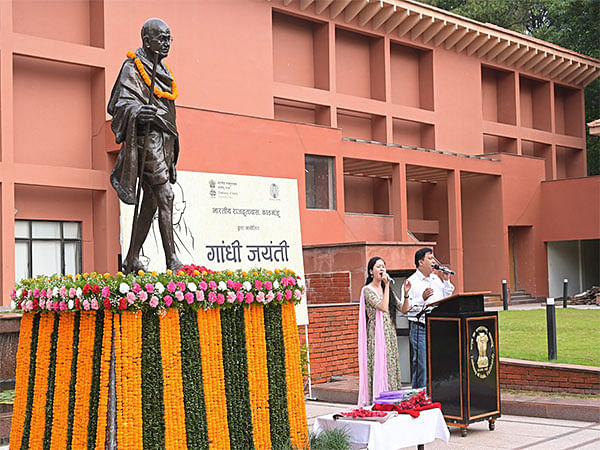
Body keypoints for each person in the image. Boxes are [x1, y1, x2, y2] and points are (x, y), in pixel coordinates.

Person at [108, 18, 183, 273]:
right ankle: (172, 261)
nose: (165, 43)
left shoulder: (165, 72)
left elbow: (170, 114)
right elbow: (119, 105)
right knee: (166, 195)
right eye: (161, 38)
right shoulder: (133, 67)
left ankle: (131, 258)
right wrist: (138, 111)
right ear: (146, 40)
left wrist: (172, 155)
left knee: (151, 202)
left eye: (168, 38)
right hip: (146, 138)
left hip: (164, 139)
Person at [358, 256, 409, 406]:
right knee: (379, 365)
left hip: (389, 333)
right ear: (370, 271)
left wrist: (406, 294)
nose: (382, 269)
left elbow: (404, 309)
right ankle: (379, 400)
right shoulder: (367, 290)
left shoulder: (388, 290)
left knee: (391, 365)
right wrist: (386, 286)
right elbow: (383, 307)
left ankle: (393, 400)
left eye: (383, 267)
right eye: (378, 266)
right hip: (376, 335)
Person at [403, 248, 454, 389]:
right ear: (421, 262)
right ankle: (418, 396)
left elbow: (445, 299)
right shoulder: (411, 282)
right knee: (421, 365)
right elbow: (408, 310)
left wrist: (446, 281)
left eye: (433, 258)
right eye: (430, 258)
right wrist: (422, 299)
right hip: (420, 328)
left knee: (437, 363)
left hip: (437, 327)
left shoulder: (436, 279)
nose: (433, 261)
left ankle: (435, 394)